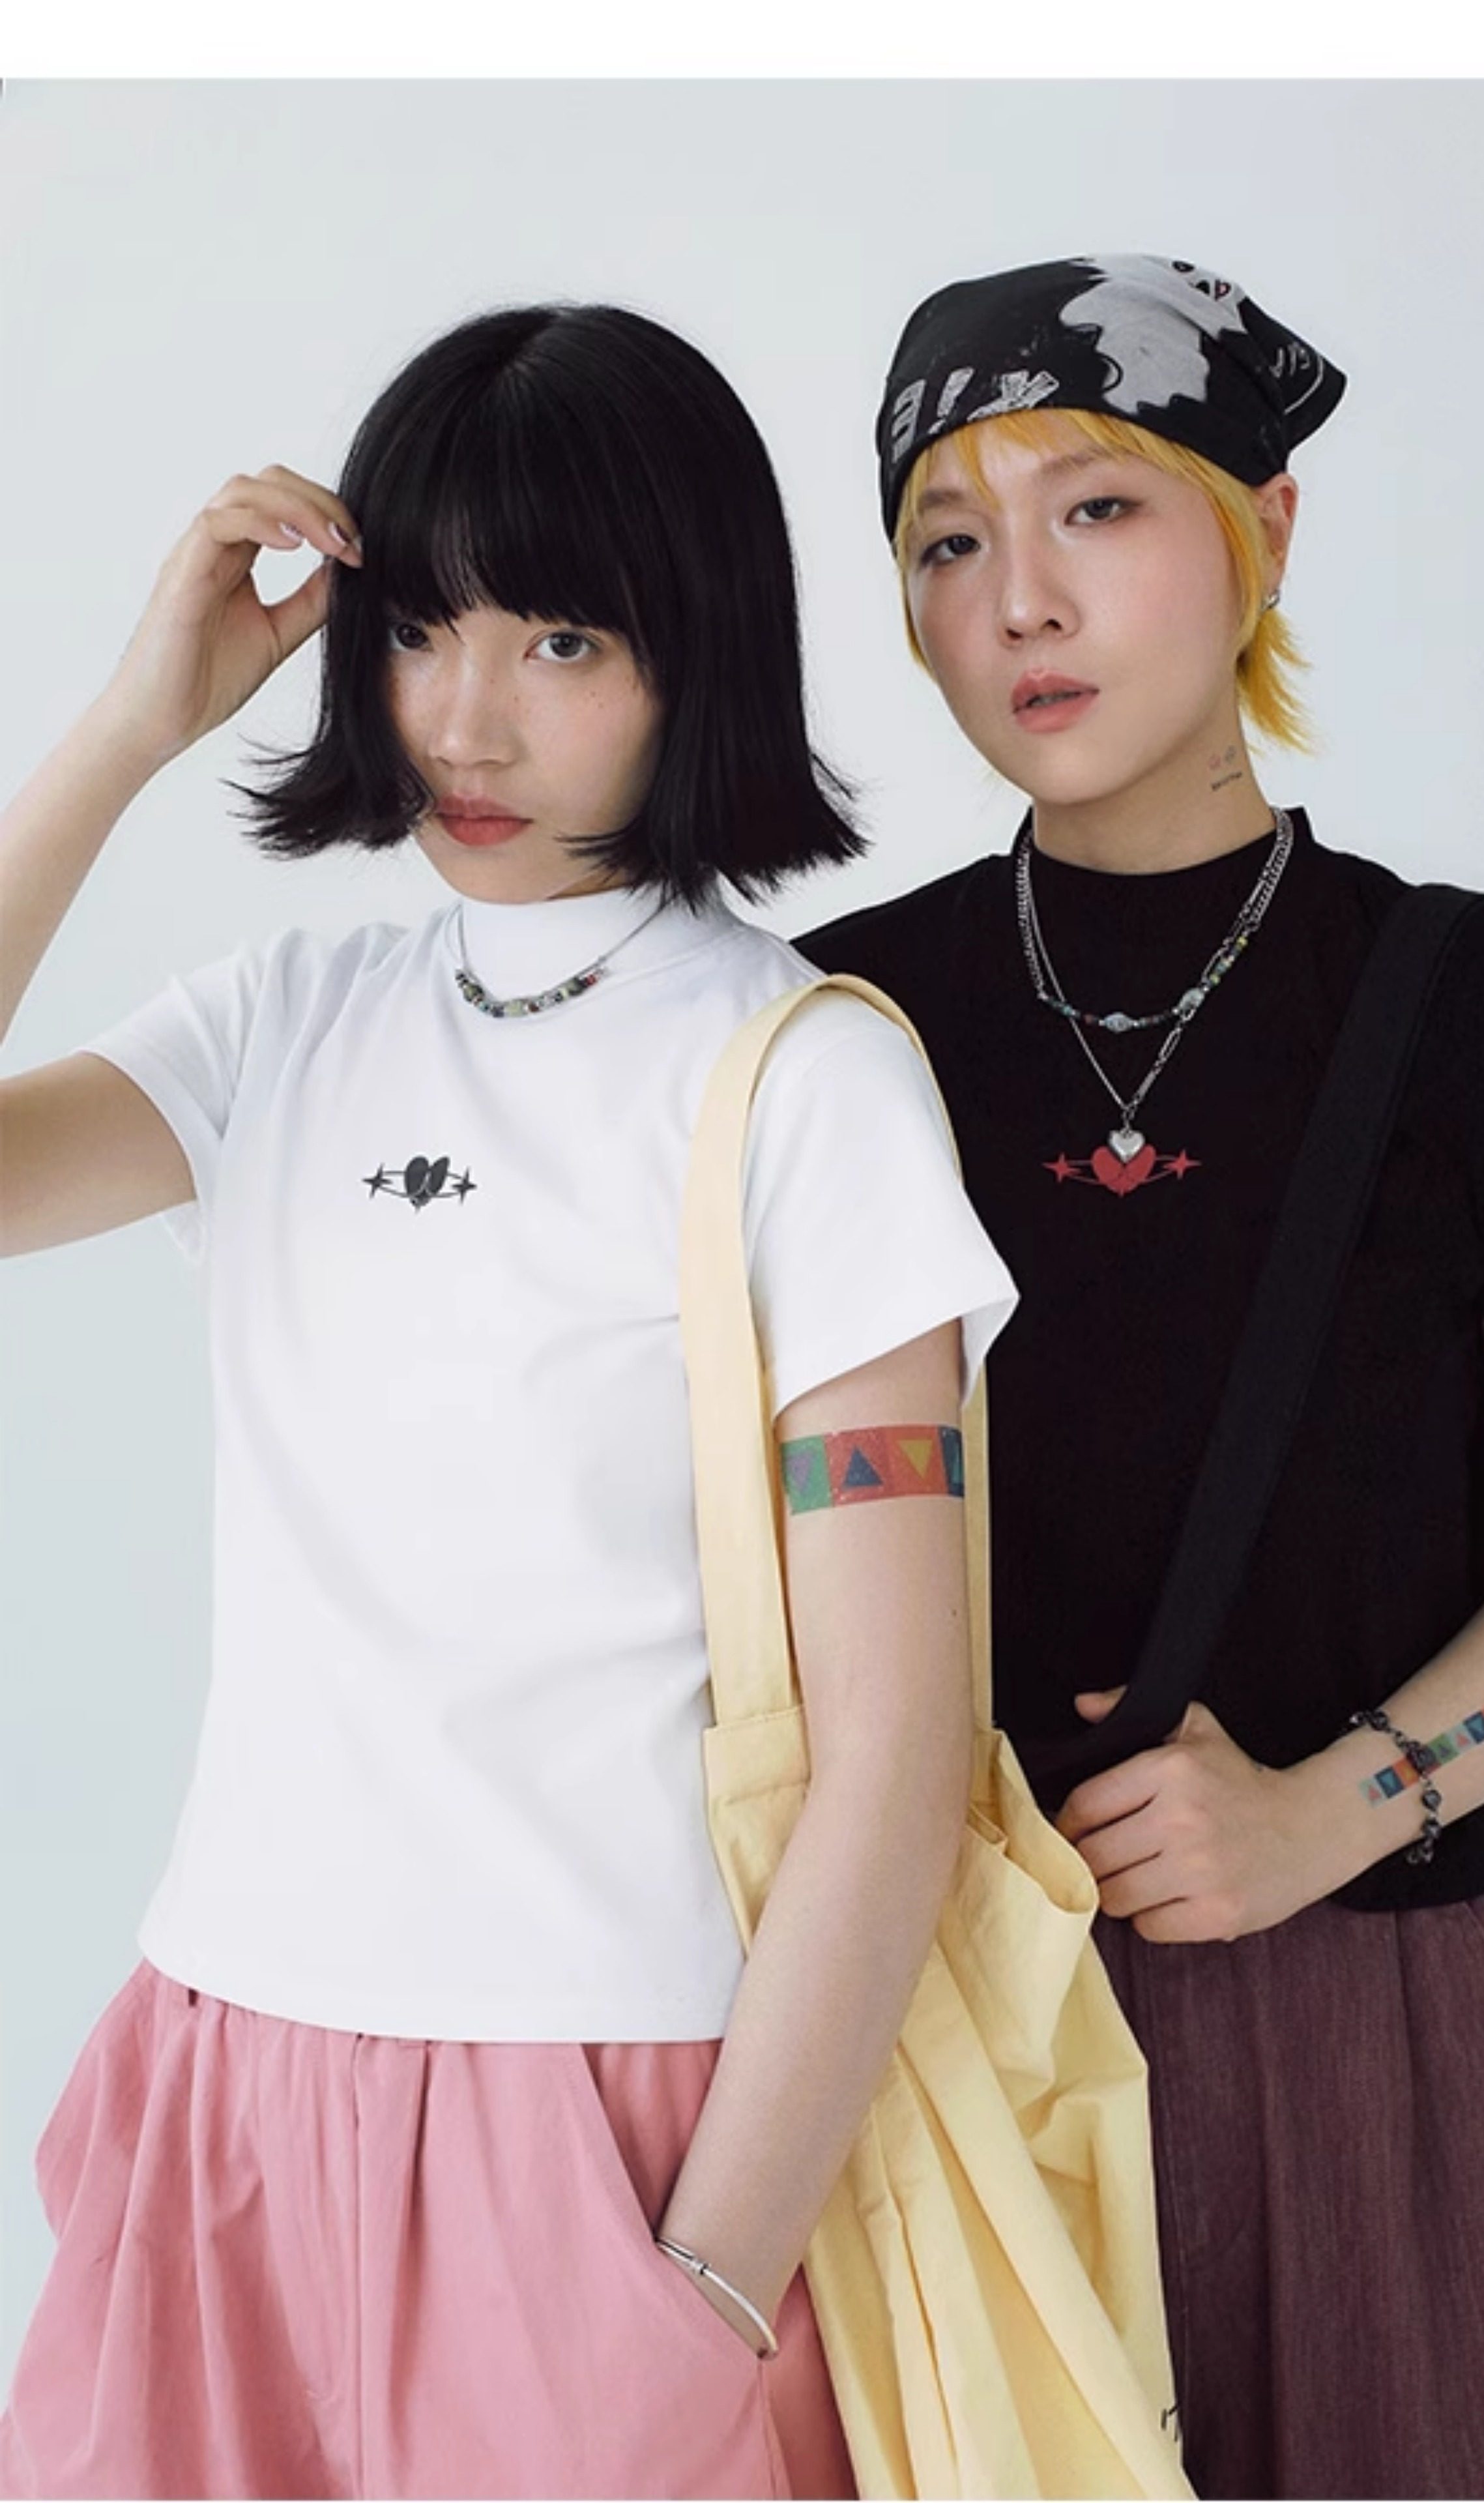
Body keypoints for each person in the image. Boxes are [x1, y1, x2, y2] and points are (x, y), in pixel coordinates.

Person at [0, 302, 1017, 2501]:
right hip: (226, 2075)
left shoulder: (804, 1085)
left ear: (694, 653)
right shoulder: (284, 1022)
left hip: (606, 2119)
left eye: (562, 641)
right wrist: (130, 726)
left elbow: (898, 1750)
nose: (468, 720)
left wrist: (711, 2281)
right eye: (422, 630)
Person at [798, 253, 1484, 2502]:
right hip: (938, 2025)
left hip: (1387, 2030)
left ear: (1266, 527)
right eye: (946, 544)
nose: (1020, 602)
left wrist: (1326, 1810)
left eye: (1098, 509)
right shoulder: (837, 1027)